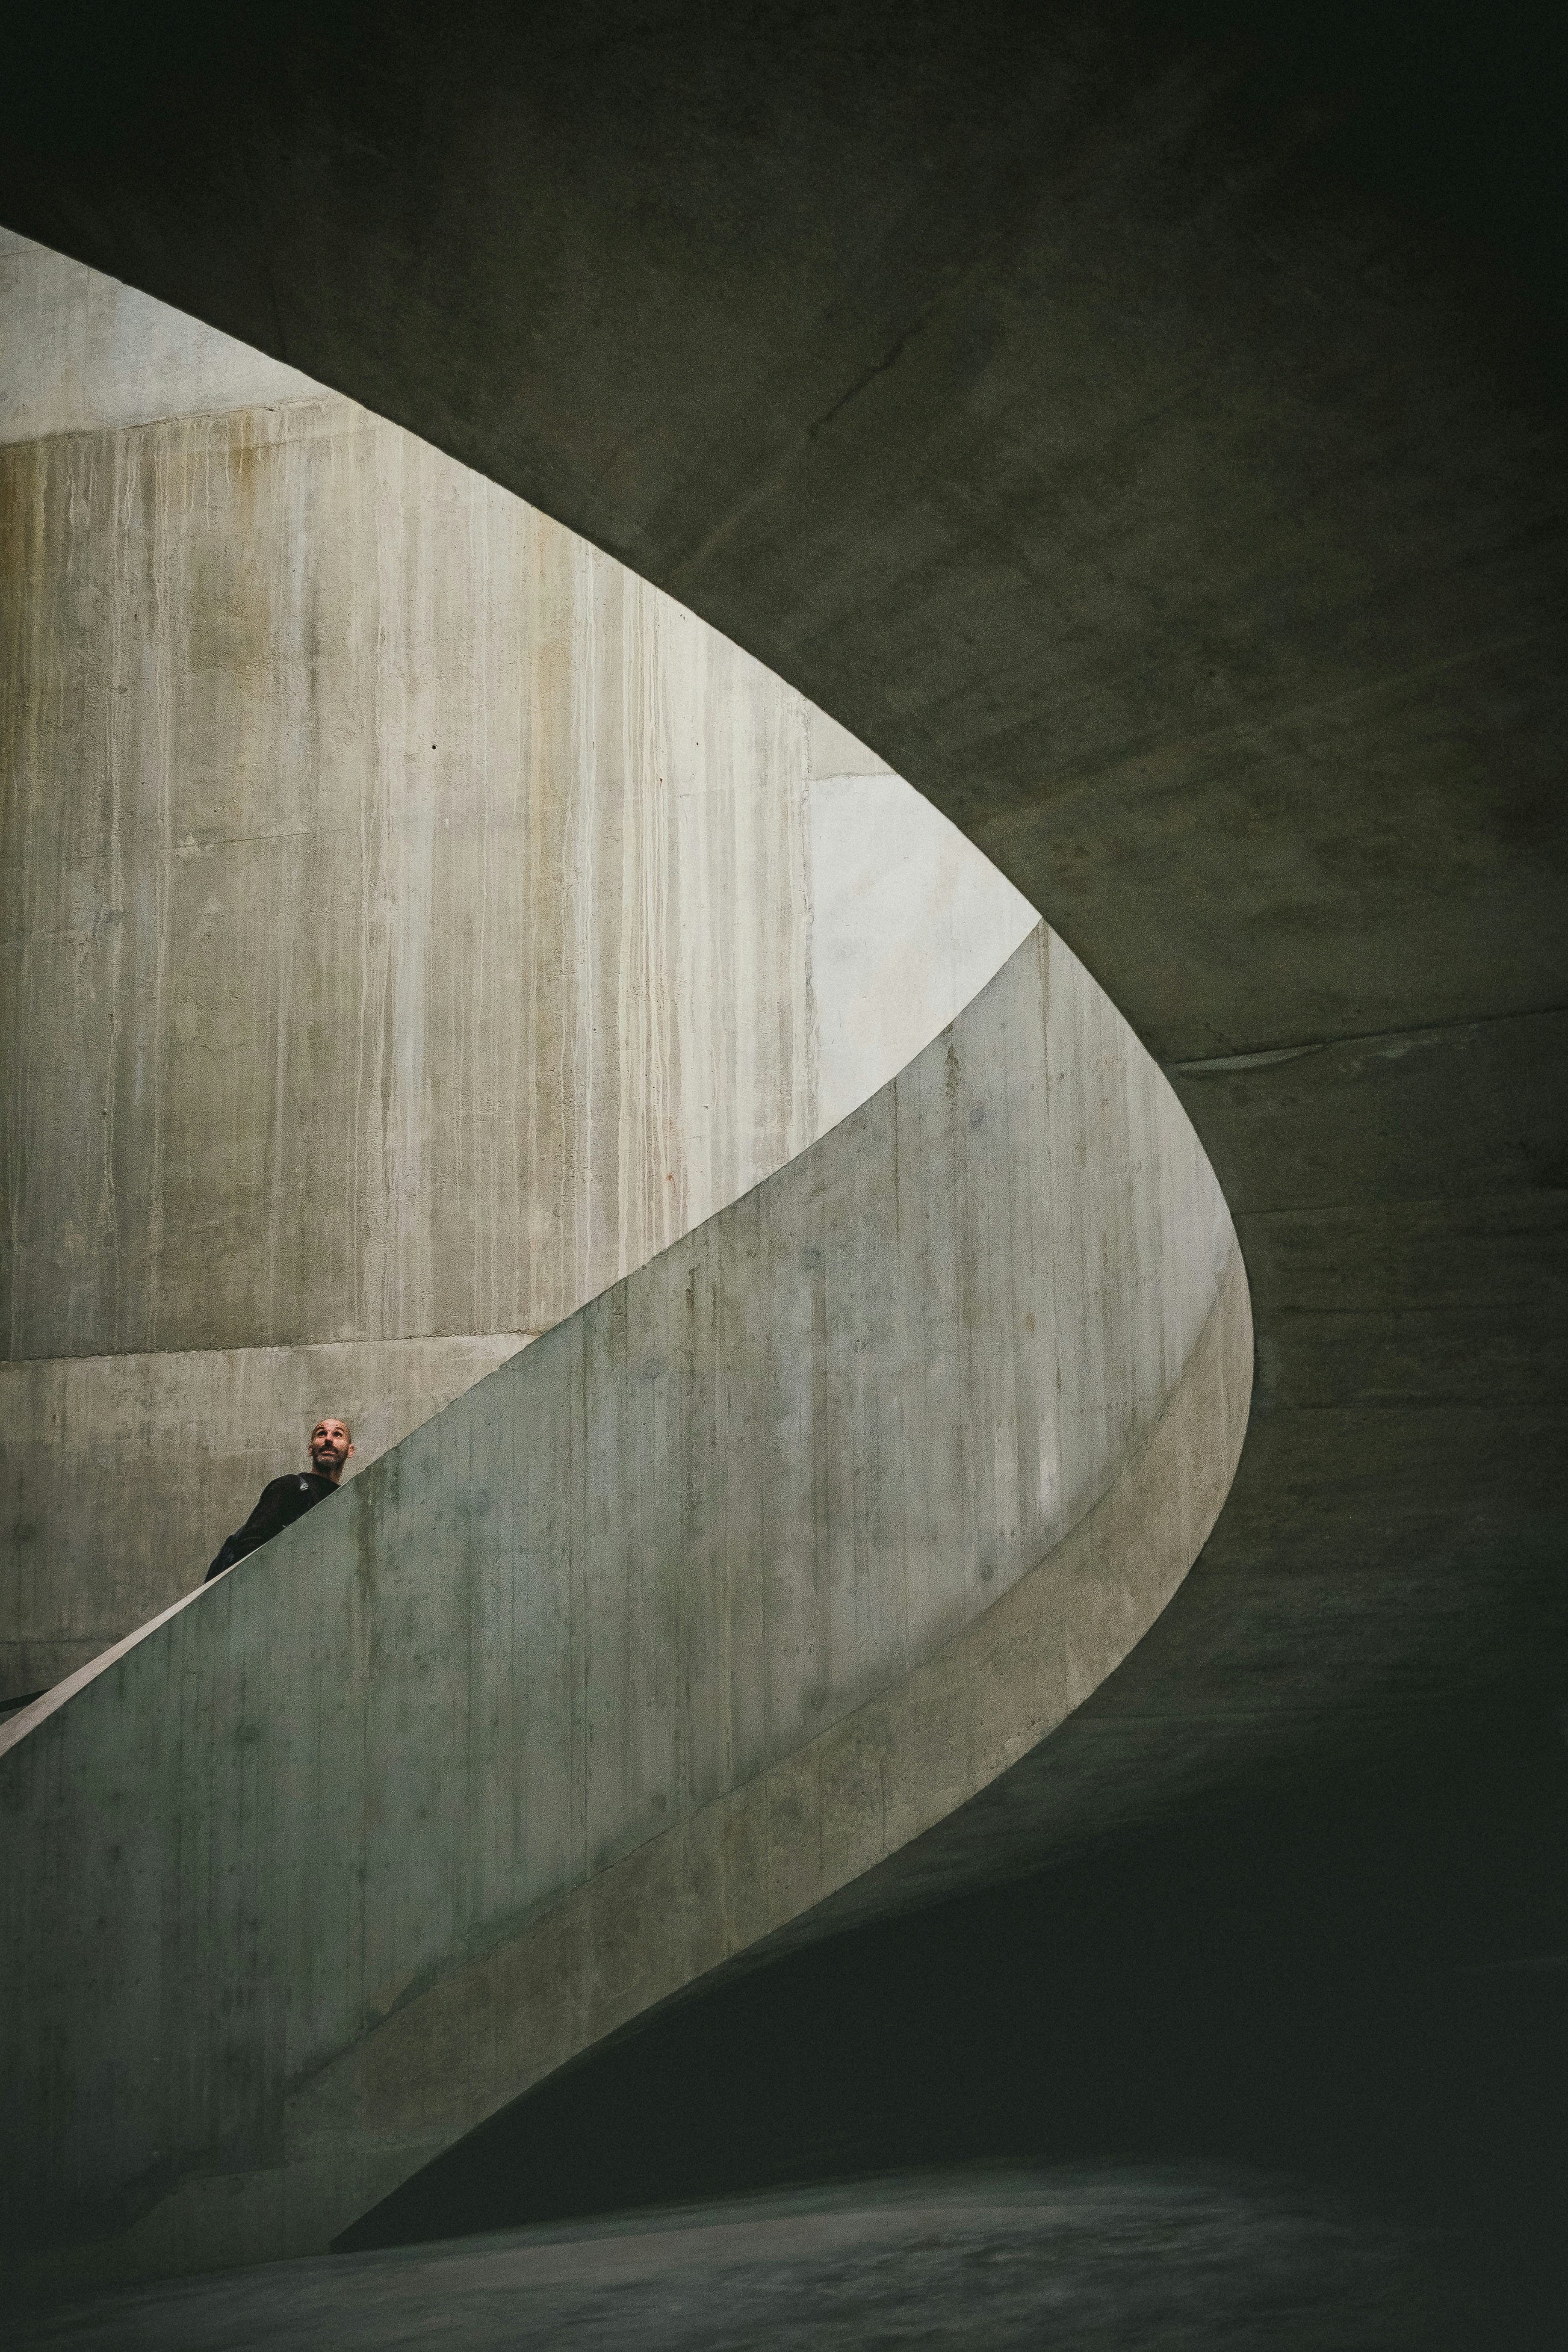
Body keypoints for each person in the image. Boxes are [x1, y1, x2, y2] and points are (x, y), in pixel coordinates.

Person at [204, 1418, 354, 1584]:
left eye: (338, 1434)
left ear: (350, 1451)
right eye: (321, 1434)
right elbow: (250, 1545)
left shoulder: (346, 1505)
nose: (328, 1439)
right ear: (311, 1450)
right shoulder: (291, 1486)